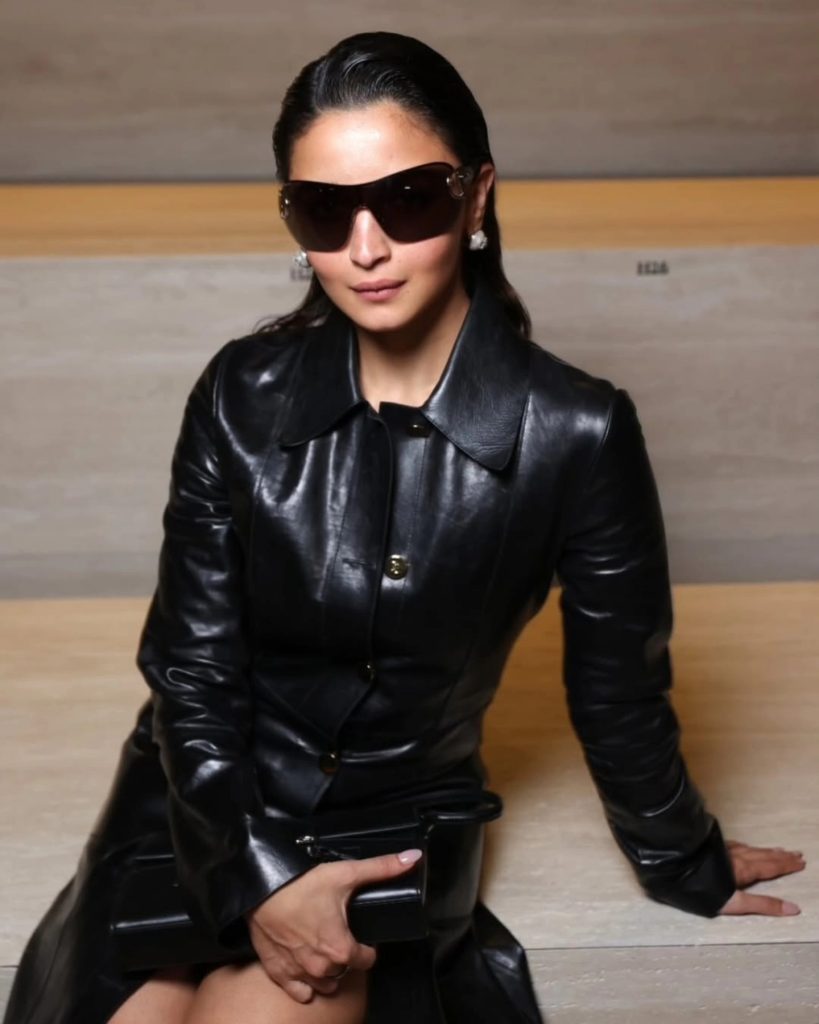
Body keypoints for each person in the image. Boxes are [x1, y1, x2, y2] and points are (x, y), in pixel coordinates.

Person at [4, 30, 805, 1024]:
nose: (366, 247)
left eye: (410, 198)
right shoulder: (240, 393)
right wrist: (256, 869)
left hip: (386, 831)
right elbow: (191, 670)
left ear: (477, 196)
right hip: (200, 802)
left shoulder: (578, 431)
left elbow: (619, 687)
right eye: (323, 210)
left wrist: (681, 854)